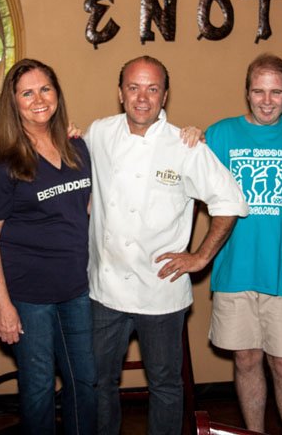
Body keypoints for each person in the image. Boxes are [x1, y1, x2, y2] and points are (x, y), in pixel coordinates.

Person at [86, 55, 249, 435]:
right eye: (134, 87)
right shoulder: (99, 133)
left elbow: (230, 201)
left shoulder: (185, 145)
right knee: (99, 384)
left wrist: (201, 257)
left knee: (165, 385)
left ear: (165, 95)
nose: (142, 97)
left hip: (161, 290)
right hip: (105, 290)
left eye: (152, 88)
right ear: (120, 92)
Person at [0, 59, 96, 434]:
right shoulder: (3, 163)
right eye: (27, 93)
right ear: (14, 103)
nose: (38, 99)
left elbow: (87, 213)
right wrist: (4, 307)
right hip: (29, 297)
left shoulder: (78, 149)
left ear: (57, 94)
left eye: (45, 89)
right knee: (39, 388)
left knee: (85, 382)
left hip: (76, 291)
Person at [205, 54, 282, 435]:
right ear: (247, 93)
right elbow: (184, 184)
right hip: (234, 271)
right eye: (259, 91)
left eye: (276, 92)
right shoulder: (219, 135)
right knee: (245, 359)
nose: (267, 100)